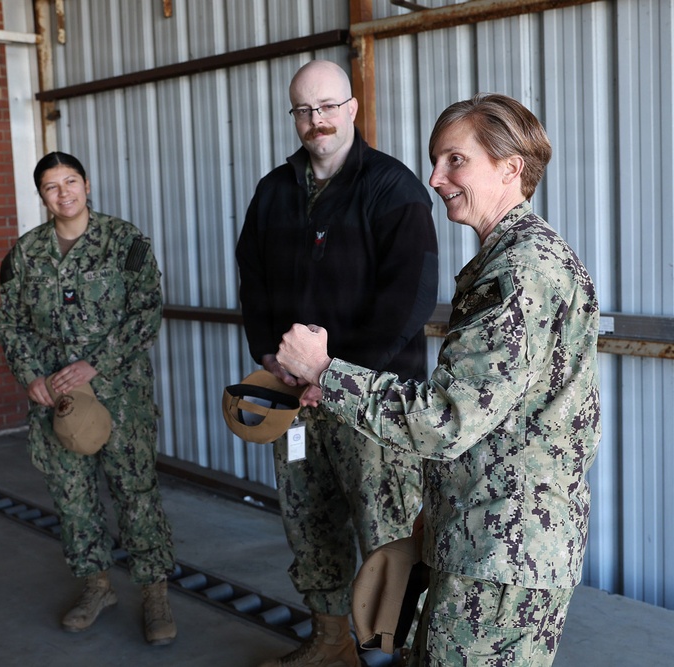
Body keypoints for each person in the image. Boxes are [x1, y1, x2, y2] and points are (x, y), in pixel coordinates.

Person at [276, 93, 600, 666]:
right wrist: (436, 515)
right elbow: (496, 420)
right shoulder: (519, 259)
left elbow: (446, 421)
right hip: (489, 535)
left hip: (501, 552)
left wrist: (327, 372)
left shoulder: (520, 272)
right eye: (435, 160)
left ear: (510, 167)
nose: (435, 177)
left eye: (455, 160)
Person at [236, 60, 439, 667]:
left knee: (390, 535)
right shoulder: (273, 192)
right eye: (304, 109)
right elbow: (253, 282)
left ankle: (399, 654)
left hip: (372, 405)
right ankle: (330, 642)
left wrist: (336, 376)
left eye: (327, 106)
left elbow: (409, 300)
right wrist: (269, 357)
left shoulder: (392, 188)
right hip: (294, 405)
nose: (316, 120)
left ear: (352, 109)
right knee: (308, 522)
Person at [0, 151, 177, 646]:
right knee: (72, 497)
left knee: (134, 494)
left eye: (70, 181)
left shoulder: (124, 242)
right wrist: (30, 375)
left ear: (87, 185)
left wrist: (96, 363)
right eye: (52, 187)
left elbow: (147, 313)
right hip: (57, 400)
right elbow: (9, 323)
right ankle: (96, 586)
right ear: (42, 196)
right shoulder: (26, 253)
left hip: (120, 394)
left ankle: (154, 593)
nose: (63, 193)